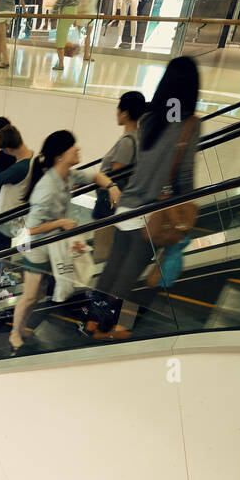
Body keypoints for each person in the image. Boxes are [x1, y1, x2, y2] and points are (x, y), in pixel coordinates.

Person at [88, 57, 200, 340]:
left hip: (126, 206)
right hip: (151, 212)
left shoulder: (149, 118)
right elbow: (184, 176)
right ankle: (113, 328)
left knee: (113, 267)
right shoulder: (189, 124)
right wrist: (187, 209)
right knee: (129, 275)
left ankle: (92, 321)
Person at [9, 129, 83, 352]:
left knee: (37, 295)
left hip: (49, 247)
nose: (78, 148)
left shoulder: (66, 175)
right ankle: (14, 333)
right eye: (73, 146)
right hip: (37, 249)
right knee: (30, 296)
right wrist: (60, 222)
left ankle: (20, 329)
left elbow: (91, 177)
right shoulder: (46, 188)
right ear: (60, 155)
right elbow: (29, 229)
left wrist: (110, 185)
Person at [86, 90, 145, 277]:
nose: (116, 113)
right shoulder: (141, 137)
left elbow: (116, 178)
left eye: (118, 109)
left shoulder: (127, 142)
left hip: (108, 207)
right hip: (121, 206)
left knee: (103, 252)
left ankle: (97, 293)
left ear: (125, 113)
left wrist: (97, 180)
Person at [0, 124, 34, 254]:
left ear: (7, 149)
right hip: (13, 223)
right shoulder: (33, 158)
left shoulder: (20, 168)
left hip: (4, 225)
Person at [53, 0, 81, 70]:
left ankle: (60, 63)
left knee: (60, 38)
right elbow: (78, 0)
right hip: (74, 12)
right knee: (63, 36)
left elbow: (60, 1)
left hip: (65, 13)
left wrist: (53, 14)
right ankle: (60, 61)